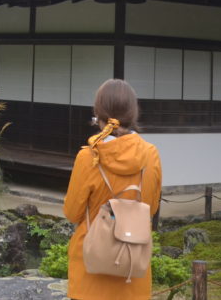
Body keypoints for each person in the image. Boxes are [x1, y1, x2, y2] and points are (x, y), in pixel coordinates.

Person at [63, 79, 162, 300]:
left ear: (97, 114)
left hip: (92, 267)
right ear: (134, 113)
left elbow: (72, 213)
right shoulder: (150, 155)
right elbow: (151, 207)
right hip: (132, 266)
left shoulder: (89, 157)